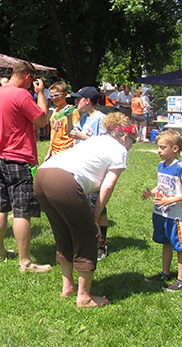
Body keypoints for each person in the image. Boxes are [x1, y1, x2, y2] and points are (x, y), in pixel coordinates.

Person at [35, 112, 136, 307]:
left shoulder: (95, 140)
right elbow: (108, 186)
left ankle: (68, 286)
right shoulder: (119, 150)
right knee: (88, 235)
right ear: (125, 137)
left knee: (62, 231)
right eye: (133, 141)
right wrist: (95, 218)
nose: (132, 146)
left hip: (42, 175)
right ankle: (84, 297)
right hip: (63, 181)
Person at [0, 61, 49, 272]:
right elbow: (42, 120)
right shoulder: (22, 95)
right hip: (20, 159)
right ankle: (25, 262)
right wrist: (40, 94)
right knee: (22, 211)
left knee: (0, 206)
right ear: (29, 77)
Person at [142, 130, 182, 292]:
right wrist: (152, 192)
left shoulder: (180, 168)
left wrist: (169, 200)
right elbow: (163, 186)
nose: (159, 151)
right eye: (158, 147)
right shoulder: (161, 165)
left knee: (179, 246)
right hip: (161, 212)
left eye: (163, 148)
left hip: (174, 215)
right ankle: (165, 273)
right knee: (166, 243)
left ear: (175, 148)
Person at [69, 86, 109, 260]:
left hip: (95, 167)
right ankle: (94, 240)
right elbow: (73, 133)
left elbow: (105, 143)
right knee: (90, 203)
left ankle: (99, 243)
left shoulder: (101, 119)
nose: (76, 102)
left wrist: (82, 137)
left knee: (95, 206)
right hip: (82, 165)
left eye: (79, 99)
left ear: (88, 101)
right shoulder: (84, 117)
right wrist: (70, 118)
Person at [44, 81, 80, 161]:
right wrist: (49, 153)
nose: (54, 98)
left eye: (57, 95)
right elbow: (54, 133)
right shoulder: (55, 111)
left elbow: (75, 133)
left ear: (65, 94)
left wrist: (75, 153)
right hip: (55, 152)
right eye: (52, 96)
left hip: (66, 151)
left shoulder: (72, 112)